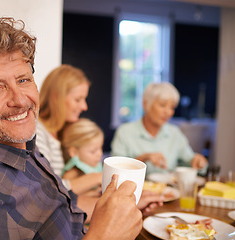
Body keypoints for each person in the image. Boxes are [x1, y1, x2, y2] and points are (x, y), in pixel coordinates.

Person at [0, 12, 143, 239]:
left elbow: (62, 206)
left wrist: (119, 208)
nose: (21, 100)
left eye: (23, 80)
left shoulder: (22, 143)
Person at [36, 64, 163, 217]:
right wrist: (100, 178)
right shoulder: (37, 133)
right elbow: (47, 194)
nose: (84, 106)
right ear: (56, 97)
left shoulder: (63, 133)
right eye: (78, 99)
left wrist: (125, 202)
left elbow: (66, 196)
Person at [111, 82, 207, 175]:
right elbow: (115, 170)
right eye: (162, 105)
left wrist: (197, 161)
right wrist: (144, 158)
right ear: (145, 104)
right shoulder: (124, 132)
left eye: (172, 107)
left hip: (169, 190)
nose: (168, 112)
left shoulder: (175, 133)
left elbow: (189, 160)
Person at [61, 118, 104, 197]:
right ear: (74, 152)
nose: (100, 154)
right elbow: (64, 193)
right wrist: (92, 194)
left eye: (100, 148)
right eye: (93, 151)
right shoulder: (73, 171)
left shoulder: (95, 164)